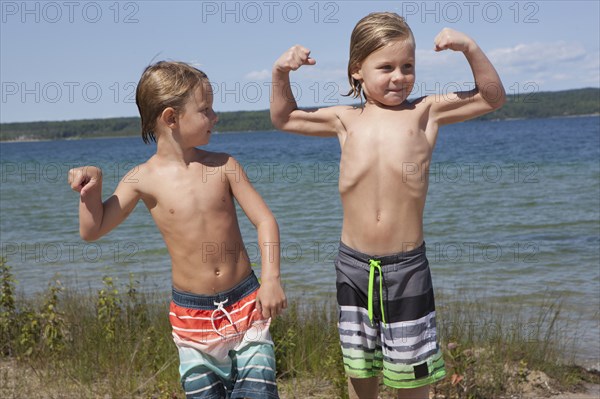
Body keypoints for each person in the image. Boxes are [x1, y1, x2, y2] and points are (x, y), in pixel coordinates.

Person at [270, 12, 505, 399]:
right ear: (357, 70)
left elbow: (493, 98)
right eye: (386, 67)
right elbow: (282, 117)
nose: (399, 76)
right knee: (360, 369)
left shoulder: (426, 112)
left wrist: (470, 48)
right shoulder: (344, 120)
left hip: (406, 266)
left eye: (407, 66)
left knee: (412, 376)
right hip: (353, 266)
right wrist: (282, 71)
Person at [68, 61, 286, 399]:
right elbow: (92, 229)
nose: (215, 116)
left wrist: (271, 279)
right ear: (171, 118)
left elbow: (265, 220)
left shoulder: (224, 165)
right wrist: (92, 189)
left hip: (246, 303)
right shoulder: (143, 178)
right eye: (206, 110)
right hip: (191, 315)